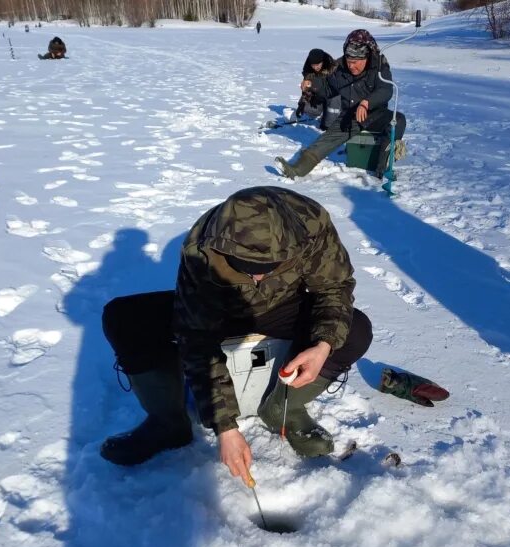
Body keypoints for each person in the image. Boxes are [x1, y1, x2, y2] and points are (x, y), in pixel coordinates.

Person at [100, 186, 373, 481]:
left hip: (283, 307)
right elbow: (196, 336)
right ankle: (168, 423)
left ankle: (283, 409)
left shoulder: (311, 223)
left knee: (356, 330)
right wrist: (226, 428)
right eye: (246, 270)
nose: (257, 278)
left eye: (267, 270)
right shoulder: (201, 247)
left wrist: (322, 345)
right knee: (124, 318)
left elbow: (334, 287)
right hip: (221, 312)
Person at [275, 29, 407, 180]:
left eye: (355, 62)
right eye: (349, 61)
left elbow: (386, 90)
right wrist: (312, 85)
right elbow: (328, 89)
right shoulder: (339, 67)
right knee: (323, 142)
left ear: (366, 57)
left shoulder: (379, 66)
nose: (351, 66)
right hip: (349, 118)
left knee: (398, 121)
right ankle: (296, 170)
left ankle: (383, 167)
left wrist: (366, 103)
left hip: (376, 115)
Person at [296, 48, 341, 131]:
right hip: (320, 96)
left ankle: (329, 122)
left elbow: (337, 91)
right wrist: (302, 104)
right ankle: (321, 114)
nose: (315, 67)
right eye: (313, 65)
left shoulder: (334, 69)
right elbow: (307, 90)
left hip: (333, 98)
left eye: (318, 64)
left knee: (328, 122)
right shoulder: (309, 73)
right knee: (307, 109)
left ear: (323, 61)